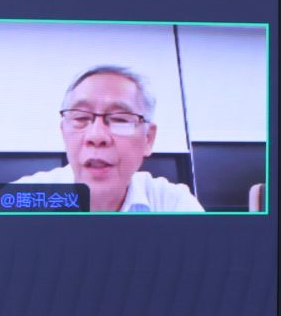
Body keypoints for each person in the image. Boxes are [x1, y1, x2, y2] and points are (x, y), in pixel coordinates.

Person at [11, 65, 204, 213]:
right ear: (63, 132)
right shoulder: (23, 199)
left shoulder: (172, 204)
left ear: (148, 138)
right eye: (81, 117)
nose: (96, 136)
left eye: (120, 119)